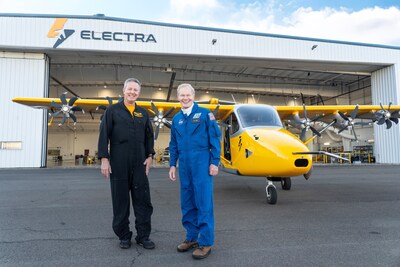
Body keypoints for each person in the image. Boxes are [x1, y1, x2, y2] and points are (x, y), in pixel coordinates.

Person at [98, 78, 156, 250]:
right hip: (119, 162)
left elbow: (149, 137)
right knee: (120, 200)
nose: (132, 92)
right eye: (129, 89)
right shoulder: (112, 110)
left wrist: (150, 156)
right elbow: (103, 135)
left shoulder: (143, 113)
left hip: (139, 162)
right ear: (123, 90)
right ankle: (124, 235)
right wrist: (104, 159)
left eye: (135, 90)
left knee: (143, 200)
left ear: (139, 93)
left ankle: (143, 236)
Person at [168, 83, 221, 259]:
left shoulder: (206, 114)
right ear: (178, 97)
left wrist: (214, 162)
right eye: (181, 95)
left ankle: (205, 242)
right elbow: (173, 144)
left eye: (188, 95)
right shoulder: (176, 119)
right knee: (187, 202)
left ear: (193, 96)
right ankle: (191, 237)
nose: (185, 98)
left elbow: (215, 138)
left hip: (202, 162)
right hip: (184, 164)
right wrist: (172, 165)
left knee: (203, 202)